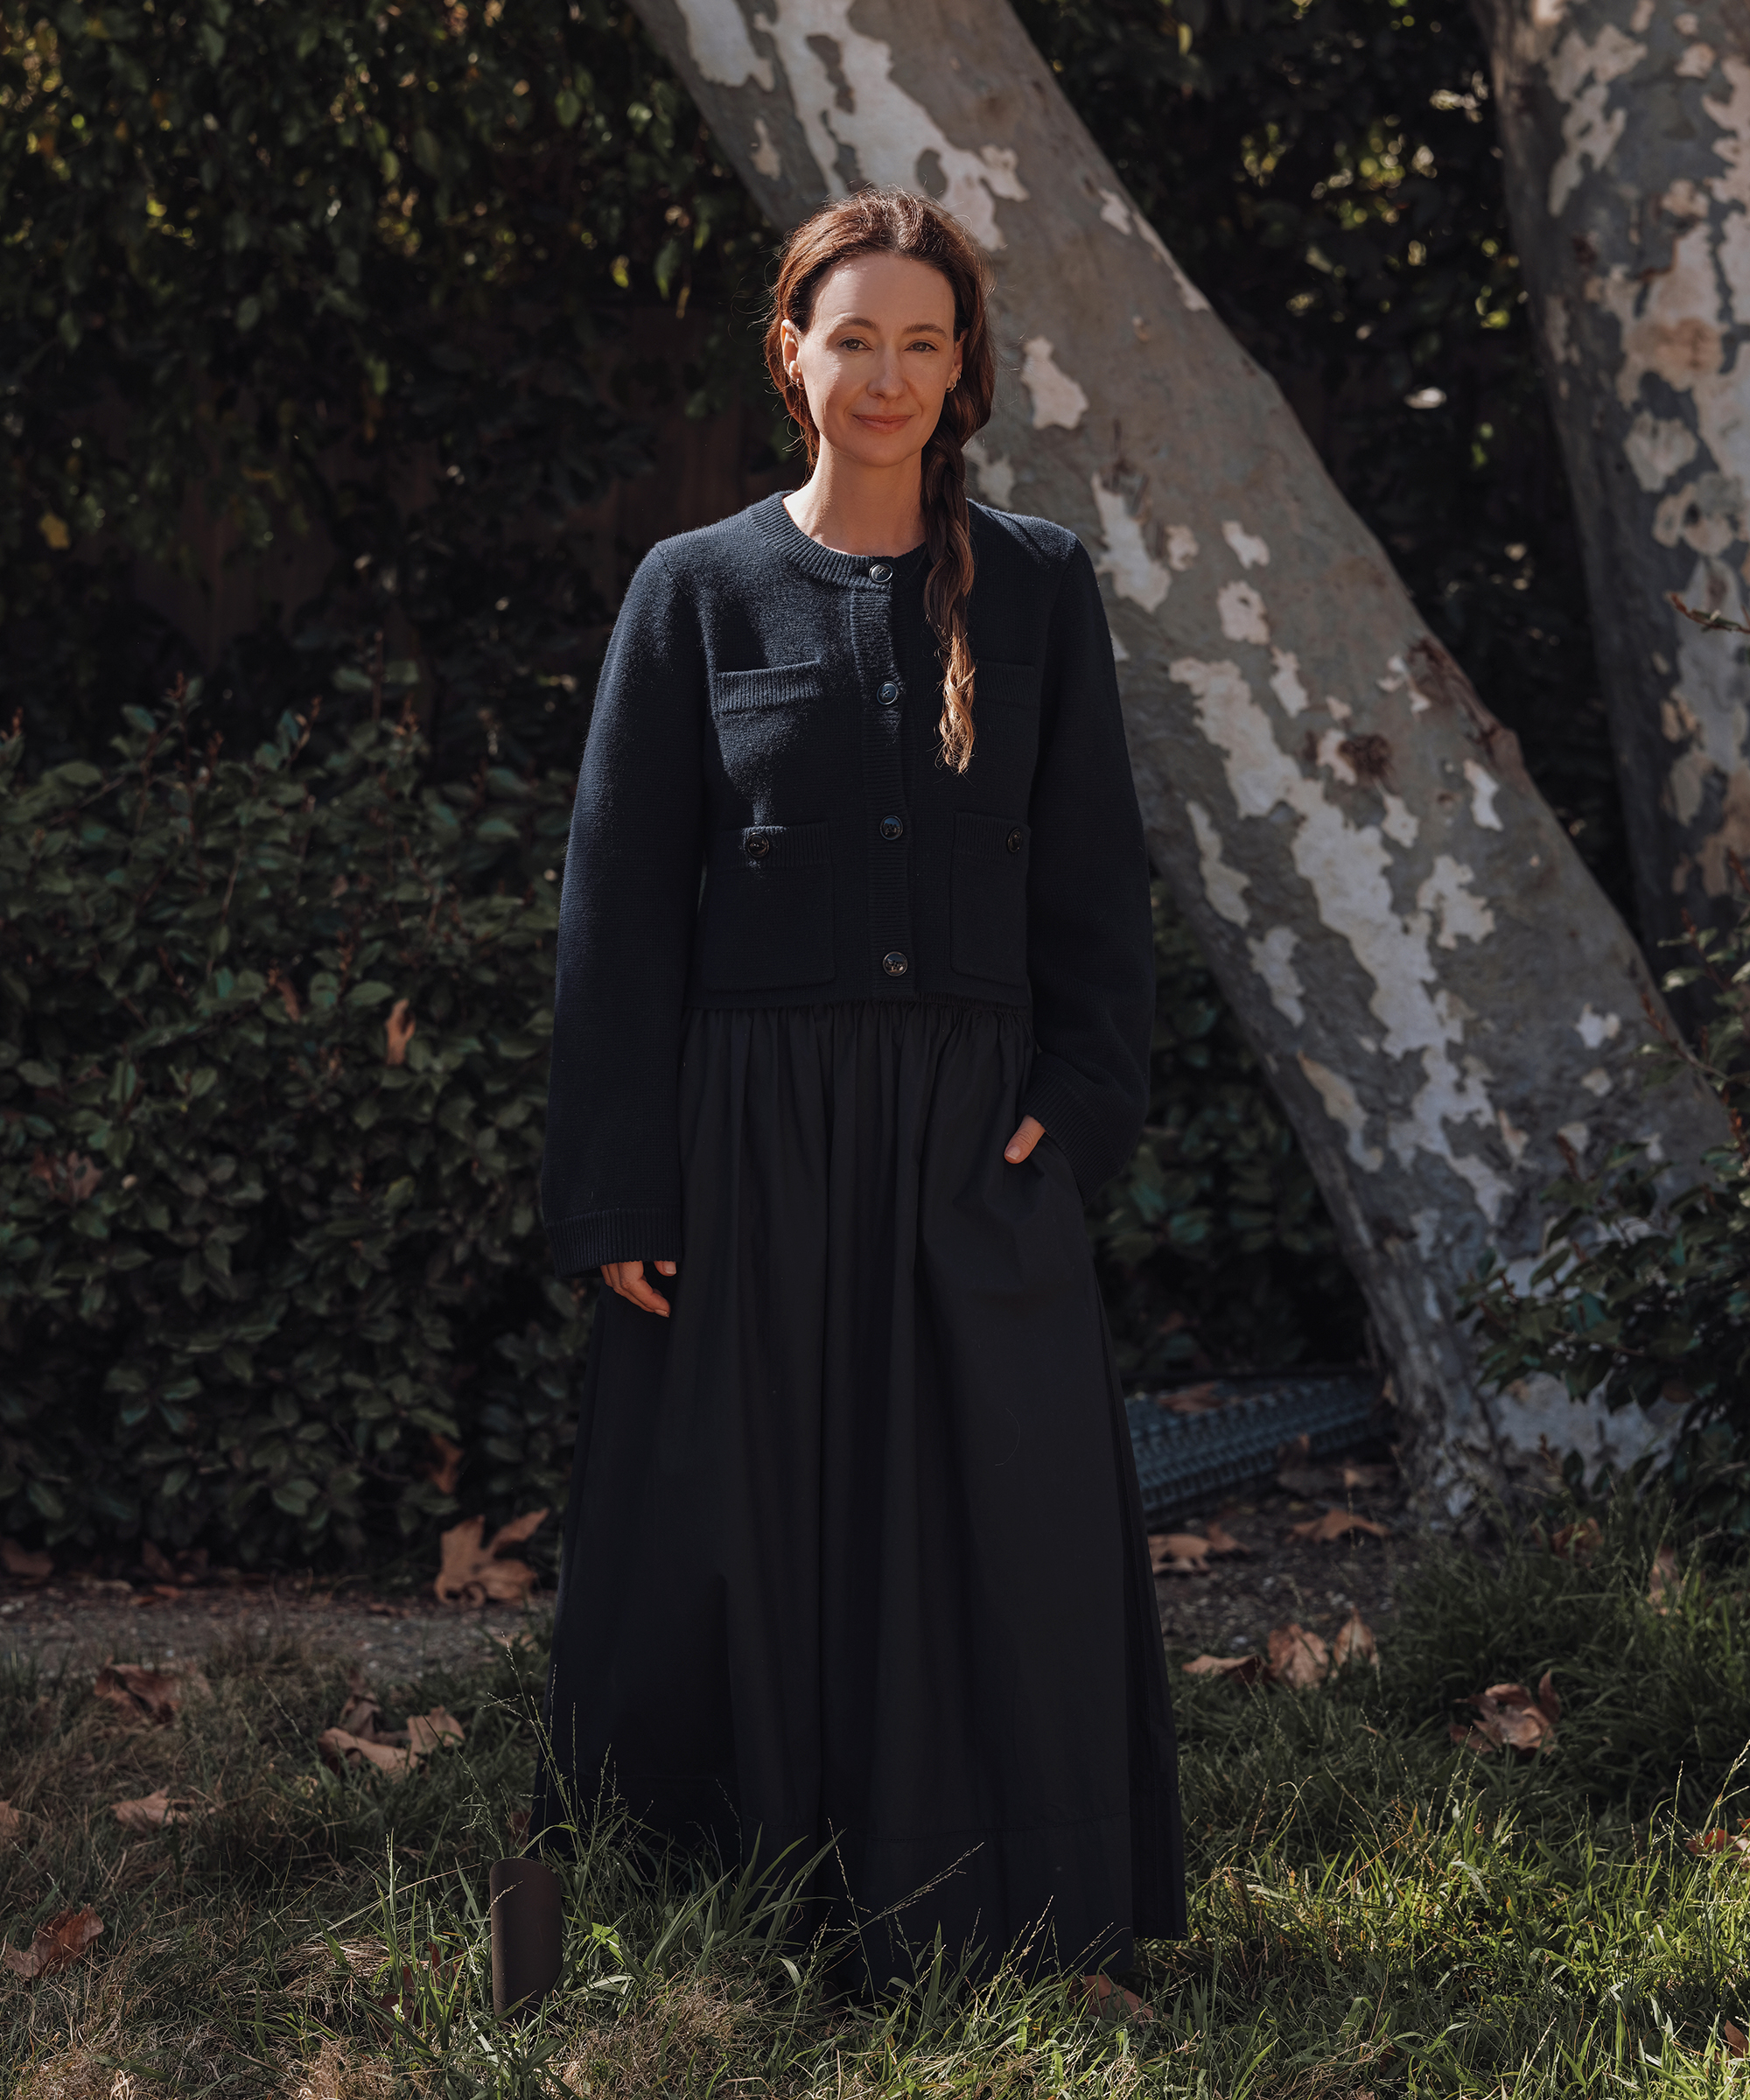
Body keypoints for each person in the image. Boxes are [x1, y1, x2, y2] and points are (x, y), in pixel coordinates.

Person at [531, 185, 1185, 1992]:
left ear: (961, 366)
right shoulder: (696, 591)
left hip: (973, 1138)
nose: (886, 374)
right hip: (747, 1135)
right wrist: (617, 1187)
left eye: (921, 341)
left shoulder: (1040, 586)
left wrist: (1081, 1097)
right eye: (852, 341)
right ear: (790, 361)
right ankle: (723, 1913)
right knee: (732, 1524)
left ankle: (1029, 1918)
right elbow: (618, 908)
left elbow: (1094, 882)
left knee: (1004, 1522)